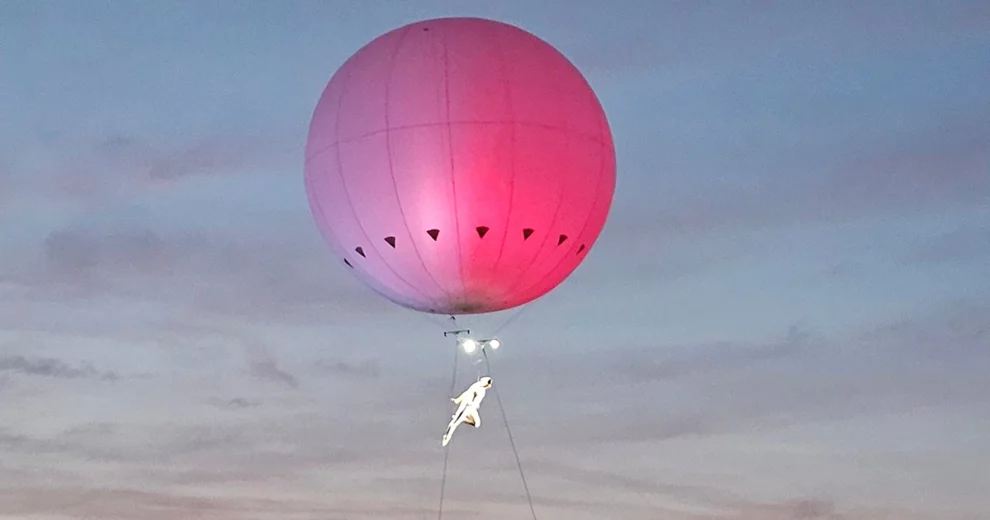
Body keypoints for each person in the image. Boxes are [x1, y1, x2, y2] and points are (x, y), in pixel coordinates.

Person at [442, 376, 493, 447]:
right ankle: (447, 436)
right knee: (455, 423)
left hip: (472, 409)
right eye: (489, 384)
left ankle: (464, 419)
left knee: (477, 424)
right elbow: (466, 393)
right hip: (466, 407)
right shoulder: (476, 386)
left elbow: (478, 400)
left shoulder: (483, 390)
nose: (489, 386)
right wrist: (458, 400)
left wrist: (476, 404)